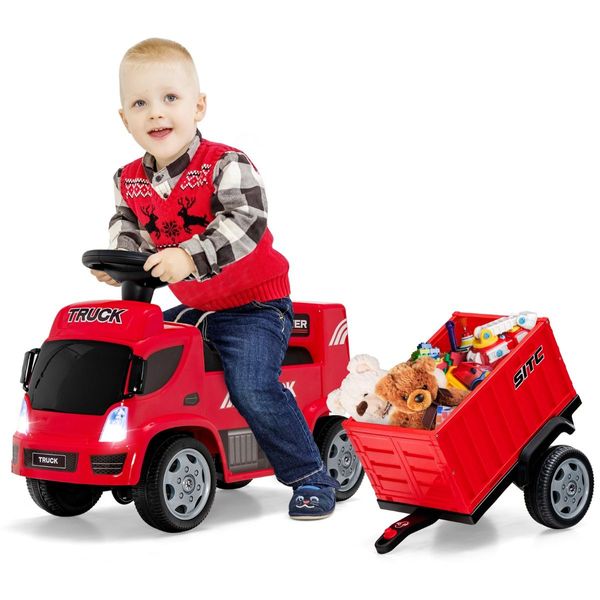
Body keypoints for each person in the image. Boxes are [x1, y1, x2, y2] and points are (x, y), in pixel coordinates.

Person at [91, 37, 340, 519]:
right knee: (136, 354)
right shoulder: (128, 178)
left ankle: (309, 475)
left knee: (251, 384)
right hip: (199, 307)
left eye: (170, 99)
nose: (156, 114)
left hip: (255, 306)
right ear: (124, 119)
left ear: (198, 105)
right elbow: (127, 227)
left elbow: (245, 223)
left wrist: (189, 256)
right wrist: (118, 260)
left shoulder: (225, 164)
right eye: (140, 103)